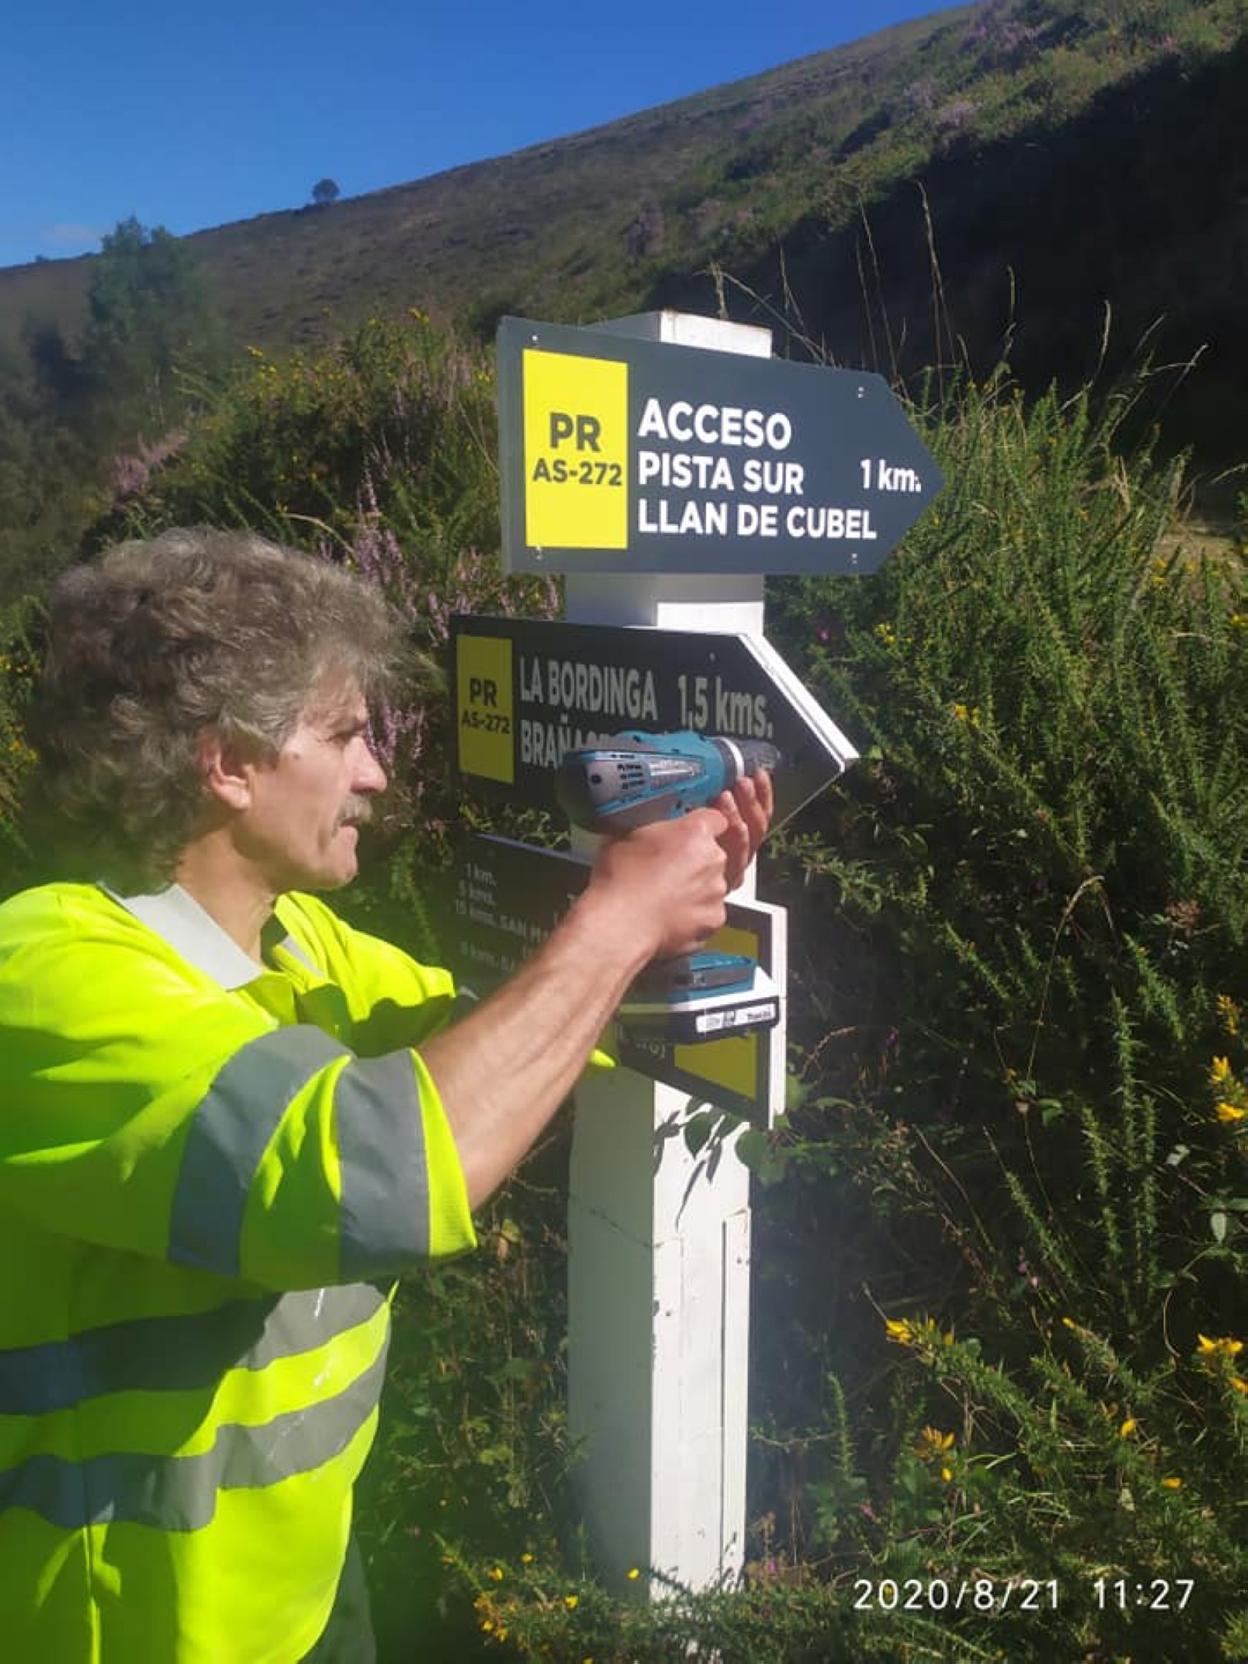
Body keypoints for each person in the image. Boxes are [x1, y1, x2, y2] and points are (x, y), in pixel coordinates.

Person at [0, 528, 772, 1662]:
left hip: (313, 1598)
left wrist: (661, 924)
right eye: (344, 735)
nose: (375, 773)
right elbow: (380, 1173)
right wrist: (618, 923)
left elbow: (493, 1037)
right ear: (229, 763)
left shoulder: (297, 941)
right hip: (130, 1634)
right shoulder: (43, 980)